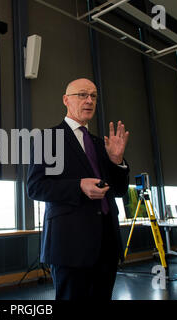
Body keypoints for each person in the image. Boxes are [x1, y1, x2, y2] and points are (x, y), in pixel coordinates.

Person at [27, 78, 130, 300]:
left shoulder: (100, 143)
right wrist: (78, 186)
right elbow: (35, 187)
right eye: (82, 95)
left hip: (107, 244)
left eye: (93, 95)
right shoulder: (48, 138)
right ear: (66, 100)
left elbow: (120, 190)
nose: (89, 100)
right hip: (70, 245)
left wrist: (117, 160)